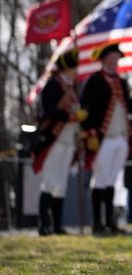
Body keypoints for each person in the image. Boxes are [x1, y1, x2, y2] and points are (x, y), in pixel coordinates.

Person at [82, 42, 132, 235]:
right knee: (100, 179)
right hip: (102, 137)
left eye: (117, 59)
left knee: (112, 179)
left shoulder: (121, 82)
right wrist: (89, 133)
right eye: (112, 58)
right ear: (104, 59)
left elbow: (130, 108)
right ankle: (97, 223)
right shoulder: (94, 81)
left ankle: (110, 222)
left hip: (120, 136)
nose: (115, 62)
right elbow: (86, 109)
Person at [32, 49, 88, 235]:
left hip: (68, 141)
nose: (76, 72)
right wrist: (69, 116)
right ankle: (44, 225)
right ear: (66, 69)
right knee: (49, 181)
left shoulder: (73, 88)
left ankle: (57, 225)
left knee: (61, 183)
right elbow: (48, 111)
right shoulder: (52, 86)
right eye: (73, 68)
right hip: (53, 139)